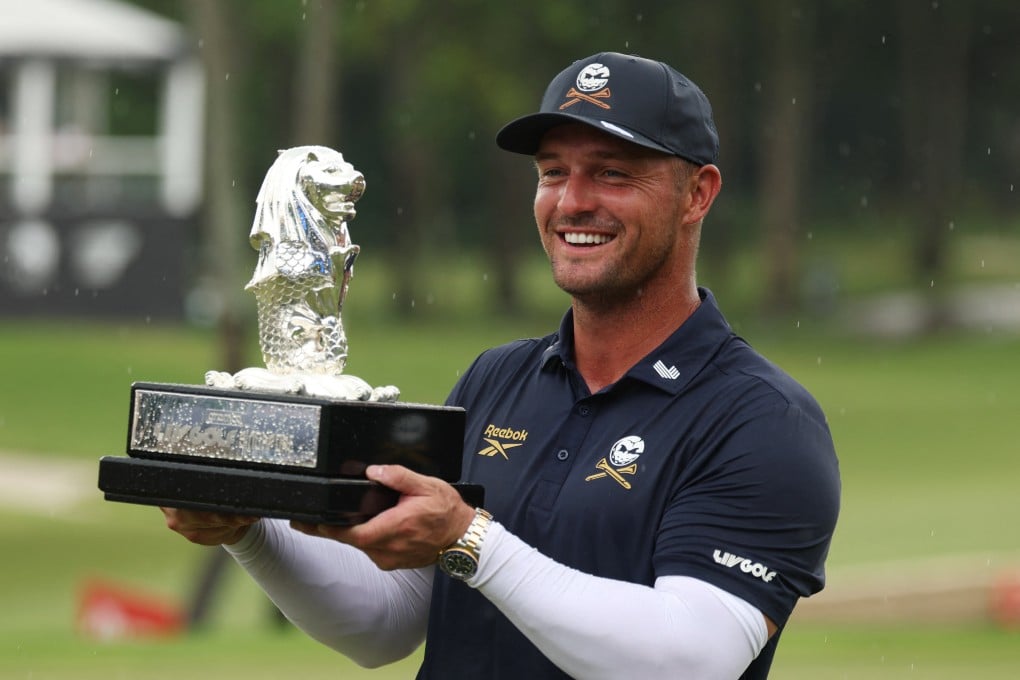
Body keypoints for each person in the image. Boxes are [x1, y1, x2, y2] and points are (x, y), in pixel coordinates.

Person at [162, 51, 841, 679]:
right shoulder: (498, 379)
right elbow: (387, 624)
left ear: (698, 194)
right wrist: (249, 531)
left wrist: (469, 540)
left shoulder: (761, 421)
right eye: (553, 172)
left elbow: (692, 660)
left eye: (612, 173)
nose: (573, 201)